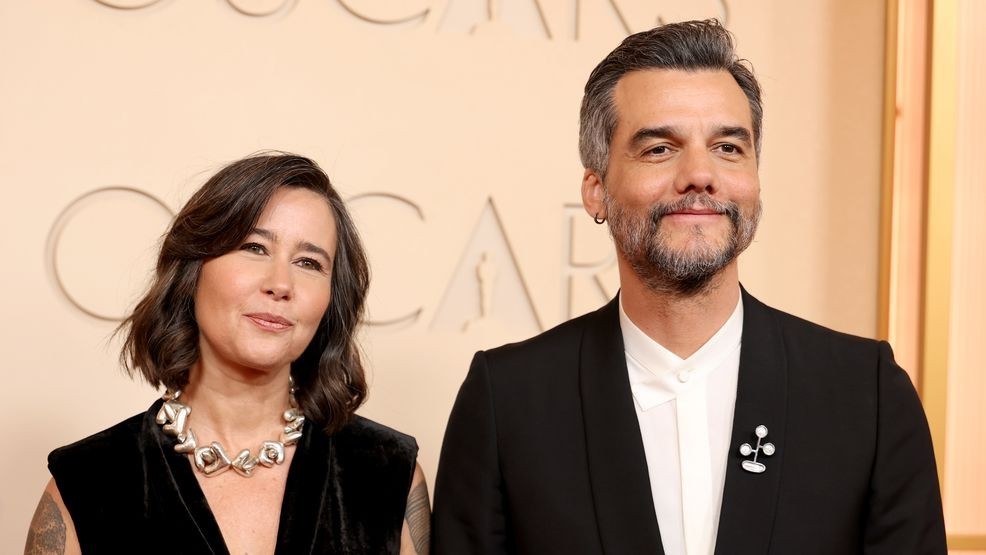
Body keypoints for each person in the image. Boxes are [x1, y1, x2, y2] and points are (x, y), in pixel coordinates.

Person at [432, 20, 946, 555]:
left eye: (728, 147)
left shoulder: (868, 396)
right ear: (596, 191)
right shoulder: (507, 402)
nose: (700, 174)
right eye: (659, 149)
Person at [25, 154, 431, 554]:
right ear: (193, 268)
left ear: (330, 300)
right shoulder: (86, 482)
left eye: (309, 262)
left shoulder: (387, 473)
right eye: (254, 247)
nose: (281, 283)